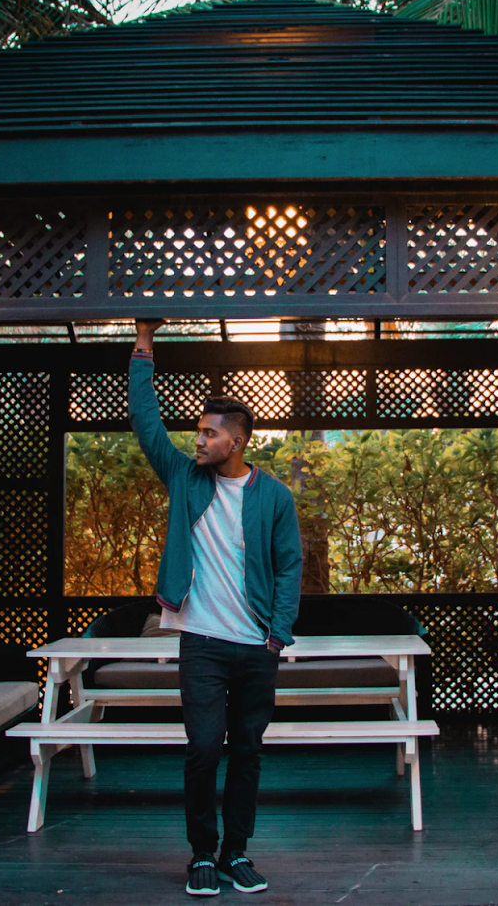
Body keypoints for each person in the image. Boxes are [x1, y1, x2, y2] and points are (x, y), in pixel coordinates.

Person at [128, 318, 303, 897]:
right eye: (198, 432)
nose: (198, 440)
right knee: (204, 749)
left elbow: (288, 567)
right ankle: (202, 853)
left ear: (238, 441)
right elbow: (146, 423)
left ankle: (237, 853)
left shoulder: (273, 495)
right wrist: (144, 345)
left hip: (256, 647)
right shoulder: (185, 478)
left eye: (208, 434)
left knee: (247, 753)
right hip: (200, 641)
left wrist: (277, 634)